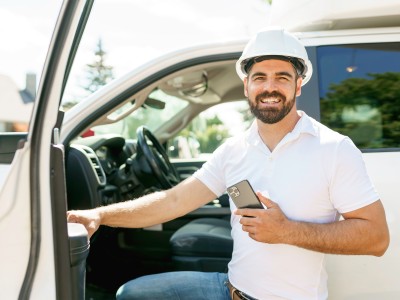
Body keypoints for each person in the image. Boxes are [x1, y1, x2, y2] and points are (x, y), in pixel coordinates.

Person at [67, 27, 390, 300]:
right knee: (130, 294)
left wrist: (287, 231)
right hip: (229, 289)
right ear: (247, 86)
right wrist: (99, 215)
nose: (269, 87)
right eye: (259, 77)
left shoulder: (333, 149)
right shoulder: (234, 150)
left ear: (298, 85)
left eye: (282, 77)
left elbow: (376, 238)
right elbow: (175, 200)